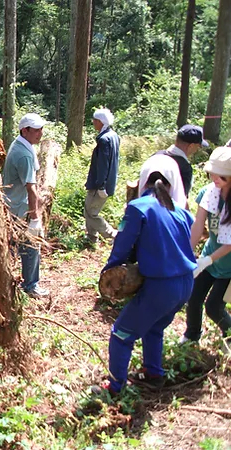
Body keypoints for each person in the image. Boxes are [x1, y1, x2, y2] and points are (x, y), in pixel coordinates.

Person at [94, 154, 196, 394]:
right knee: (153, 328)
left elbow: (122, 244)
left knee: (121, 334)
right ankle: (153, 374)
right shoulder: (179, 212)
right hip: (185, 284)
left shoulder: (139, 207)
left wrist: (109, 273)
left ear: (144, 182)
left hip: (162, 285)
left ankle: (115, 386)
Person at [180, 147, 231, 354]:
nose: (215, 180)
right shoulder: (209, 193)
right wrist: (188, 256)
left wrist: (208, 260)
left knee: (214, 306)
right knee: (193, 296)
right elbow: (198, 225)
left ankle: (229, 335)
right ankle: (192, 334)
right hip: (210, 255)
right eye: (212, 174)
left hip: (228, 265)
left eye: (222, 177)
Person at [3, 113, 49, 298]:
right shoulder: (23, 155)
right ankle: (31, 286)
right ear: (25, 130)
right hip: (19, 210)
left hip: (13, 206)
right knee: (30, 247)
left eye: (41, 129)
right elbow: (31, 189)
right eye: (36, 130)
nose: (40, 133)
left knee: (11, 246)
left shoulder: (20, 145)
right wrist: (35, 219)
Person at [84, 108, 120, 245]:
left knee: (90, 213)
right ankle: (92, 237)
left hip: (100, 184)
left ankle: (112, 235)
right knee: (90, 209)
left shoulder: (104, 140)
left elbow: (103, 165)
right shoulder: (114, 136)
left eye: (95, 120)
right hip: (108, 182)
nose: (93, 122)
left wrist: (101, 185)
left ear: (100, 121)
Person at [156, 124, 209, 198]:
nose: (197, 150)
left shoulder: (156, 155)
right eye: (198, 146)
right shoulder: (185, 169)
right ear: (191, 146)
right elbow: (181, 199)